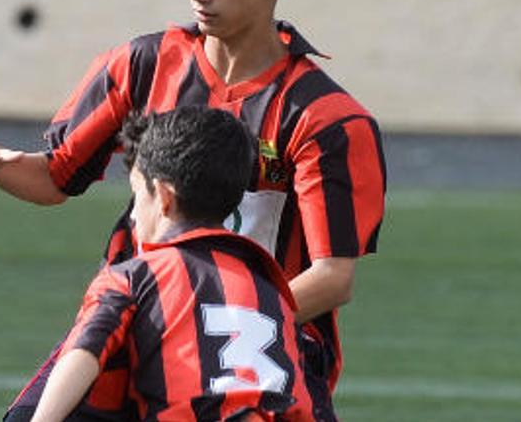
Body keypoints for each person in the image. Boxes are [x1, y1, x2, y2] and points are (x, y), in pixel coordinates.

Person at [0, 0, 385, 420]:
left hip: (264, 335)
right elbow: (56, 178)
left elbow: (332, 277)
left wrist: (212, 311)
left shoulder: (325, 118)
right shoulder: (143, 65)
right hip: (138, 318)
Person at [30, 106, 313, 422]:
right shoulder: (271, 287)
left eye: (138, 196)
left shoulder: (136, 275)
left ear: (163, 197)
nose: (134, 215)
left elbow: (83, 352)